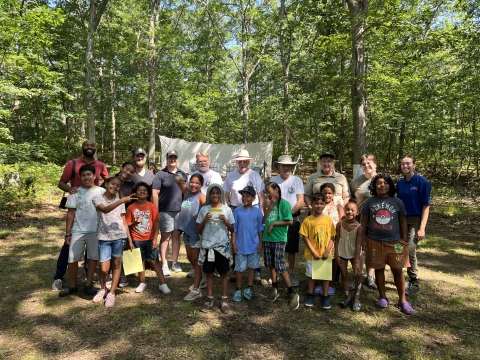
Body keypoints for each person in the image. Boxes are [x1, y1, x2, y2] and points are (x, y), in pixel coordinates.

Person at [52, 140, 109, 291]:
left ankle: (89, 282)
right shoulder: (73, 164)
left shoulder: (101, 167)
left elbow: (108, 182)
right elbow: (61, 183)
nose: (89, 147)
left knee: (92, 256)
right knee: (69, 253)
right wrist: (71, 190)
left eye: (92, 145)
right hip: (77, 213)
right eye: (86, 145)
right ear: (82, 148)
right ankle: (61, 278)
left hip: (94, 224)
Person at [356, 173, 413, 315]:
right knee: (378, 269)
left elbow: (403, 222)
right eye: (379, 183)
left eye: (385, 183)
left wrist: (404, 240)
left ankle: (403, 300)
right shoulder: (370, 202)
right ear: (374, 186)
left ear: (390, 185)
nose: (382, 185)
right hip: (374, 241)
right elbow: (363, 223)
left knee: (397, 270)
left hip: (395, 243)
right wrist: (363, 239)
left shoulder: (397, 201)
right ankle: (382, 297)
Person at [59, 164, 106, 297]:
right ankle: (73, 285)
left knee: (92, 258)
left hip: (95, 231)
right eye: (84, 175)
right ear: (80, 177)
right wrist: (68, 233)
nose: (87, 177)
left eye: (89, 174)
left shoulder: (101, 192)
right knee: (72, 259)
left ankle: (89, 284)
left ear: (94, 176)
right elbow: (70, 214)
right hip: (77, 230)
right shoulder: (75, 192)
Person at [91, 177, 136, 307]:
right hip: (104, 237)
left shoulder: (120, 202)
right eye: (113, 184)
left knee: (116, 264)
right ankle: (102, 288)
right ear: (106, 184)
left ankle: (111, 293)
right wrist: (122, 200)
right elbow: (104, 209)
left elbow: (124, 222)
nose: (115, 187)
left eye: (118, 186)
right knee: (104, 269)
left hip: (119, 237)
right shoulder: (97, 198)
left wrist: (130, 239)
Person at [223, 150, 265, 283]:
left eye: (244, 161)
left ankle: (256, 272)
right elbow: (226, 193)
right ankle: (236, 269)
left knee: (255, 238)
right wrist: (228, 208)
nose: (242, 163)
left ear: (249, 162)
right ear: (236, 162)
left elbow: (261, 195)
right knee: (236, 238)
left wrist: (262, 210)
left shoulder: (255, 175)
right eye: (239, 161)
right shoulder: (231, 176)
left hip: (254, 209)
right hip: (236, 209)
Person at [126, 182, 171, 295]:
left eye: (144, 190)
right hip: (136, 239)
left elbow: (156, 224)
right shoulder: (131, 207)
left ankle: (162, 283)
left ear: (148, 193)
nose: (142, 192)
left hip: (150, 239)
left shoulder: (152, 206)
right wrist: (134, 224)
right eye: (139, 190)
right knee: (139, 261)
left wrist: (155, 239)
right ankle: (142, 282)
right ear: (135, 193)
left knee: (154, 261)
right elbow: (127, 224)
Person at [196, 184, 235, 313]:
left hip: (222, 247)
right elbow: (199, 230)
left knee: (224, 273)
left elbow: (232, 229)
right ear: (208, 195)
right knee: (209, 273)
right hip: (208, 246)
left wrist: (225, 221)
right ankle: (209, 298)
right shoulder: (204, 210)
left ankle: (224, 299)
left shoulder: (227, 210)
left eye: (218, 193)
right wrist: (204, 220)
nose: (215, 196)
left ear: (221, 195)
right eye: (212, 193)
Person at [396, 155, 431, 296]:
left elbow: (426, 206)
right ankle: (399, 275)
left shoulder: (422, 182)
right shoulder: (400, 183)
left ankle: (414, 279)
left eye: (408, 164)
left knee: (410, 248)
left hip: (415, 219)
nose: (405, 166)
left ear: (414, 165)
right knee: (399, 247)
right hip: (400, 219)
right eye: (403, 164)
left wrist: (422, 227)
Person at [262, 182, 300, 310]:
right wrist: (270, 206)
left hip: (279, 239)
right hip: (268, 239)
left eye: (269, 191)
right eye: (265, 192)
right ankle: (274, 288)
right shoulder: (270, 204)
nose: (267, 194)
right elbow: (264, 220)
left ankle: (293, 293)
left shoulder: (284, 204)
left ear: (276, 190)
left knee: (280, 265)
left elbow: (289, 221)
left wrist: (273, 225)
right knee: (271, 264)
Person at [152, 150, 188, 276]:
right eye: (170, 157)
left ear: (177, 159)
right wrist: (156, 211)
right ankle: (164, 264)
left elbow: (186, 193)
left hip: (179, 211)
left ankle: (175, 262)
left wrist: (186, 210)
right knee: (166, 237)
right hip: (164, 211)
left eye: (175, 158)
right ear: (166, 159)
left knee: (176, 236)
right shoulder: (161, 174)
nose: (173, 159)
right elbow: (155, 194)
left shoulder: (182, 174)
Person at [270, 155, 304, 287]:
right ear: (278, 166)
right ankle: (277, 271)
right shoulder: (273, 181)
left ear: (292, 166)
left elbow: (300, 199)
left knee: (291, 248)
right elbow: (271, 200)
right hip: (277, 219)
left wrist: (289, 214)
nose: (286, 168)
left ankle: (291, 272)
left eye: (289, 165)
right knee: (277, 246)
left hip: (293, 218)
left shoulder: (297, 180)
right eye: (283, 165)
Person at [300, 193, 336, 310]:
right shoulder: (308, 220)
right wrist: (313, 252)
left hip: (326, 255)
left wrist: (327, 251)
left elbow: (332, 237)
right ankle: (310, 294)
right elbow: (305, 237)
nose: (319, 206)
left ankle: (325, 296)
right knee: (312, 276)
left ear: (325, 204)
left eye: (321, 203)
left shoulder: (328, 220)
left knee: (325, 276)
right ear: (312, 204)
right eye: (317, 203)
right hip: (312, 255)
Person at [349, 154, 379, 290]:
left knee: (372, 248)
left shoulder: (381, 180)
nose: (367, 166)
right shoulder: (355, 182)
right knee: (359, 247)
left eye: (369, 163)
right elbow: (350, 201)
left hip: (377, 220)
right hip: (359, 219)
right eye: (364, 164)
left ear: (375, 164)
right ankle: (358, 275)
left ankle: (370, 276)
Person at [175, 174, 207, 301]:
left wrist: (200, 214)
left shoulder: (201, 196)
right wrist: (180, 179)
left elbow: (207, 208)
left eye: (197, 183)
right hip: (186, 231)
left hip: (195, 232)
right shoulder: (187, 192)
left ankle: (196, 289)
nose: (194, 185)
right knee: (190, 258)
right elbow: (176, 179)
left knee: (196, 260)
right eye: (192, 182)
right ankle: (201, 279)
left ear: (201, 185)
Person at [231, 186, 264, 302]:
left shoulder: (257, 212)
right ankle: (238, 289)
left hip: (254, 246)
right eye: (243, 196)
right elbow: (234, 229)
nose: (244, 198)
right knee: (239, 269)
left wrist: (261, 243)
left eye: (248, 196)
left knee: (252, 268)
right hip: (240, 246)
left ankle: (249, 288)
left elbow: (260, 229)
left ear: (254, 198)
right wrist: (233, 243)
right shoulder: (237, 211)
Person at [316, 182, 344, 296]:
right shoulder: (319, 205)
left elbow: (342, 220)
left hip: (334, 238)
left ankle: (331, 284)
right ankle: (318, 283)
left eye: (329, 193)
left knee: (332, 261)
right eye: (324, 193)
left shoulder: (337, 205)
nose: (327, 195)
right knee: (319, 260)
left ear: (333, 194)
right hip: (320, 237)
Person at [335, 201, 362, 311]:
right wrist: (337, 255)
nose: (350, 212)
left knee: (358, 274)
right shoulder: (340, 224)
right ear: (344, 211)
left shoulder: (359, 227)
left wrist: (356, 261)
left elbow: (358, 244)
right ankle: (348, 296)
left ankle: (356, 297)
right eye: (348, 209)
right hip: (342, 252)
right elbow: (336, 240)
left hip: (354, 253)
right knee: (344, 275)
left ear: (357, 212)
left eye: (352, 210)